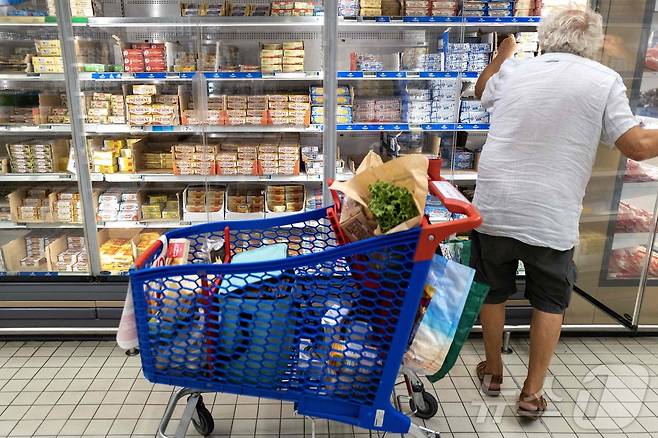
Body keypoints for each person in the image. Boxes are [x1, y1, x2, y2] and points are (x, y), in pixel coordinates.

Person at [471, 7, 658, 418]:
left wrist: (502, 54)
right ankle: (532, 393)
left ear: (546, 36)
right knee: (549, 300)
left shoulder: (517, 70)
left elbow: (481, 90)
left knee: (492, 288)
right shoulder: (603, 79)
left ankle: (493, 371)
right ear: (593, 42)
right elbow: (638, 147)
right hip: (550, 215)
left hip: (495, 206)